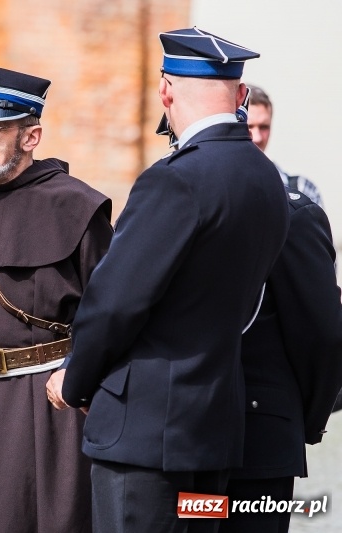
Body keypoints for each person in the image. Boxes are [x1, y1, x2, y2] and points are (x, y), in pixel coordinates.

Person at [47, 27, 289, 533]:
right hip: (215, 426)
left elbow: (115, 303)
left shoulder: (175, 178)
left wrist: (75, 380)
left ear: (165, 90)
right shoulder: (266, 178)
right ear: (240, 95)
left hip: (146, 434)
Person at [0, 64, 114, 533]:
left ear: (31, 137)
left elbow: (109, 309)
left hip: (48, 399)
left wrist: (81, 375)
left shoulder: (78, 208)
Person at [220, 187, 342, 532]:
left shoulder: (292, 215)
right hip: (234, 436)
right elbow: (325, 334)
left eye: (263, 127)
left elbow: (322, 334)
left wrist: (309, 416)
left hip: (256, 442)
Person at [246, 84, 324, 207]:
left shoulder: (303, 190)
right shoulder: (219, 187)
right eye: (249, 126)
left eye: (264, 127)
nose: (258, 137)